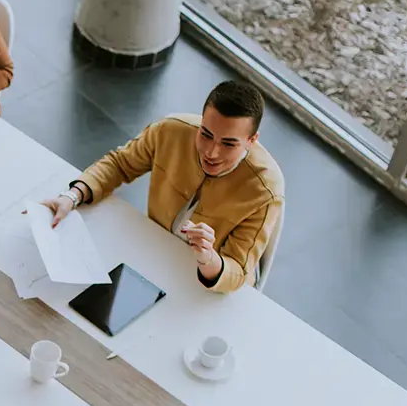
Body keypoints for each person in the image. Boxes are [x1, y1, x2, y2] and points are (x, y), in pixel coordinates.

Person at [41, 80, 284, 292]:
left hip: (207, 283)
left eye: (228, 144)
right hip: (153, 256)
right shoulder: (171, 130)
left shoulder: (266, 190)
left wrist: (209, 258)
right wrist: (72, 196)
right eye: (206, 134)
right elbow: (120, 164)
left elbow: (238, 270)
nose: (211, 152)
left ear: (252, 141)